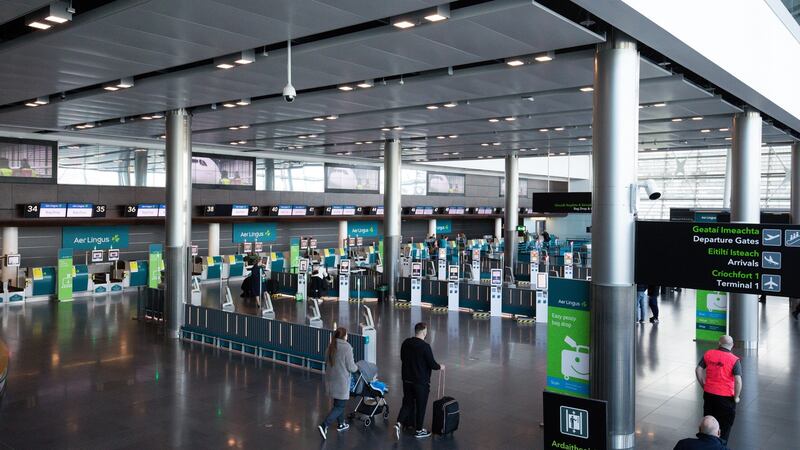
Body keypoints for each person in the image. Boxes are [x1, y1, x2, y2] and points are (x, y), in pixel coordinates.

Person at [395, 322, 443, 439]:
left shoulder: (406, 343)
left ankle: (399, 423)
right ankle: (419, 430)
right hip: (421, 382)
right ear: (423, 332)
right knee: (421, 406)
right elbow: (432, 364)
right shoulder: (425, 347)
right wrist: (440, 366)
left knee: (407, 403)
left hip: (407, 379)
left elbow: (402, 358)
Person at [695, 335, 742, 443]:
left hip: (709, 395)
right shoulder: (734, 360)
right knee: (724, 427)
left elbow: (698, 369)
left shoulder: (709, 354)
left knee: (708, 424)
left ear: (719, 344)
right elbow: (738, 380)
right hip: (726, 398)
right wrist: (736, 397)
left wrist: (704, 385)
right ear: (732, 345)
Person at [318, 327, 358, 440]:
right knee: (340, 406)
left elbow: (326, 360)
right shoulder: (347, 347)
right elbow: (351, 367)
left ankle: (341, 424)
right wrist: (357, 368)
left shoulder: (331, 346)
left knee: (338, 403)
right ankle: (324, 425)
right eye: (347, 335)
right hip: (341, 381)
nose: (347, 336)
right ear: (344, 336)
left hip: (331, 380)